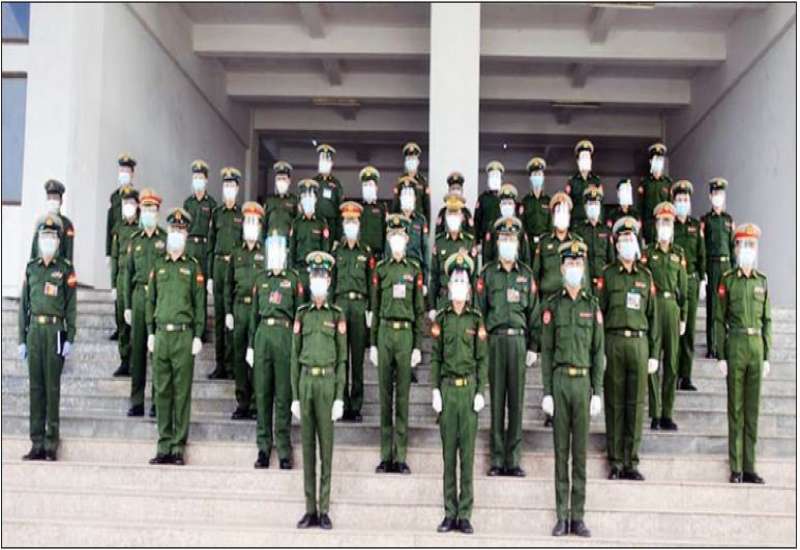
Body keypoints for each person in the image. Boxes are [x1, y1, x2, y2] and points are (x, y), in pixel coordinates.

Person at [539, 240, 604, 538]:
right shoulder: (552, 306)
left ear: (583, 267)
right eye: (570, 263)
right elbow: (547, 352)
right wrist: (547, 391)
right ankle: (561, 516)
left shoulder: (592, 306)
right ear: (562, 268)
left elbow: (598, 352)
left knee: (580, 454)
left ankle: (578, 516)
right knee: (560, 452)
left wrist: (597, 391)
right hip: (561, 381)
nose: (574, 268)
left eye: (579, 263)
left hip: (583, 383)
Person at [597, 216, 660, 481]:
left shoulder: (645, 277)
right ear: (616, 244)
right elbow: (599, 315)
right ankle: (615, 461)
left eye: (629, 238)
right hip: (613, 342)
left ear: (636, 242)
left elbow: (653, 317)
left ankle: (631, 461)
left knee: (635, 404)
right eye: (622, 239)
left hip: (639, 343)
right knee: (614, 403)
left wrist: (654, 354)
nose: (626, 243)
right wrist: (599, 350)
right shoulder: (608, 275)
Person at [431, 251, 488, 535]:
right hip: (448, 391)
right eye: (455, 280)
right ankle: (449, 512)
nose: (458, 285)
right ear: (449, 284)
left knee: (467, 456)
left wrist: (480, 390)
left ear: (468, 287)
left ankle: (465, 513)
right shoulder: (441, 319)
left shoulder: (476, 319)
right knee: (448, 457)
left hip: (467, 393)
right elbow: (436, 357)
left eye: (463, 281)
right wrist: (435, 390)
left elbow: (482, 359)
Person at [475, 216, 538, 476]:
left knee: (516, 402)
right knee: (497, 400)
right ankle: (497, 459)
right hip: (496, 341)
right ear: (498, 242)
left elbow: (534, 314)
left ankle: (513, 460)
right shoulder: (487, 274)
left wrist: (533, 346)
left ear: (518, 243)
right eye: (504, 239)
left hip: (518, 342)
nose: (507, 243)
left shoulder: (526, 275)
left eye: (511, 239)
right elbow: (479, 313)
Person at [291, 251, 346, 530]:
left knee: (326, 449)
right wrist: (295, 396)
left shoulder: (336, 315)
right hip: (306, 382)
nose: (319, 281)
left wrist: (339, 397)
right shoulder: (301, 314)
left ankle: (324, 509)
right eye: (315, 276)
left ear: (329, 280)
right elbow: (294, 356)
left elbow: (343, 359)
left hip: (327, 383)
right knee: (308, 450)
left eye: (323, 276)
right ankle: (309, 509)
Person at [146, 208, 205, 465]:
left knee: (181, 393)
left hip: (183, 335)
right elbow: (150, 300)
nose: (176, 234)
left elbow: (199, 303)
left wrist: (198, 335)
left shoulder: (192, 267)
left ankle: (178, 446)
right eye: (173, 229)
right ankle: (164, 445)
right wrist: (150, 331)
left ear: (187, 235)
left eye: (181, 230)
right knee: (162, 391)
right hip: (161, 334)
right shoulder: (158, 265)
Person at [715, 223, 771, 484]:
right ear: (736, 248)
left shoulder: (762, 281)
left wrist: (767, 355)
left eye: (751, 245)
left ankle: (750, 466)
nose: (747, 249)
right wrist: (721, 355)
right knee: (735, 408)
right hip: (736, 343)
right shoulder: (728, 280)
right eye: (743, 244)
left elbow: (767, 320)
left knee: (752, 409)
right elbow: (719, 319)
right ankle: (736, 466)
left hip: (756, 344)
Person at [18, 215, 77, 461]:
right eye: (45, 236)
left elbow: (71, 305)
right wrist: (21, 339)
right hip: (35, 331)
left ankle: (51, 442)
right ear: (38, 239)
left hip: (55, 331)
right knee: (36, 388)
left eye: (52, 237)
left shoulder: (65, 269)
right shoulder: (31, 268)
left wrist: (70, 336)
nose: (48, 241)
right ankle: (36, 442)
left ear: (59, 241)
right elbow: (23, 306)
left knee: (52, 388)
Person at [369, 215, 425, 474]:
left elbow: (419, 310)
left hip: (405, 335)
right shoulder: (381, 270)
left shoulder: (414, 270)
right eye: (393, 236)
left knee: (402, 398)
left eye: (400, 236)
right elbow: (375, 307)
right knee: (385, 397)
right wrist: (373, 344)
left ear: (407, 238)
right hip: (384, 332)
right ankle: (385, 455)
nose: (397, 241)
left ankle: (400, 455)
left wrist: (417, 346)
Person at [248, 230, 304, 469]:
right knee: (262, 394)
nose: (276, 255)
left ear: (286, 253)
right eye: (273, 251)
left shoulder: (293, 280)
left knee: (283, 395)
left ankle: (283, 449)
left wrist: (298, 346)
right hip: (263, 336)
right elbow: (253, 316)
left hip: (284, 336)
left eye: (280, 250)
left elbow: (300, 315)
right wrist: (251, 346)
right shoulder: (260, 280)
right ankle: (263, 447)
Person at [641, 202, 688, 431]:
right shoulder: (648, 253)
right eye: (661, 222)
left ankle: (668, 413)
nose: (665, 226)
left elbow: (684, 289)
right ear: (656, 225)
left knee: (671, 362)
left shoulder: (679, 254)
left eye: (668, 222)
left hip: (672, 308)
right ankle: (655, 413)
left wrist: (683, 316)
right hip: (654, 307)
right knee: (652, 361)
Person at [331, 201, 376, 422]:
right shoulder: (336, 252)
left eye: (354, 222)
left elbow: (371, 284)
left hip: (359, 307)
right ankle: (341, 401)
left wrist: (371, 310)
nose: (351, 225)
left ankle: (356, 406)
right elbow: (331, 283)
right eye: (347, 221)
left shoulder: (365, 252)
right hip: (340, 306)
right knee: (341, 357)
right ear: (343, 224)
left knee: (357, 359)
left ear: (359, 224)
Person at [124, 188, 166, 418]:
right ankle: (137, 401)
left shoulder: (165, 239)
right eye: (146, 209)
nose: (149, 213)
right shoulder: (135, 241)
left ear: (158, 212)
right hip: (139, 296)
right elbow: (127, 274)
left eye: (153, 209)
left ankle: (157, 402)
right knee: (138, 351)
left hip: (159, 297)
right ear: (141, 211)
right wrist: (127, 306)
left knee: (157, 354)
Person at [225, 202, 266, 420]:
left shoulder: (265, 253)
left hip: (258, 310)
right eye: (248, 221)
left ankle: (256, 404)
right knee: (240, 356)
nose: (251, 226)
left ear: (259, 226)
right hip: (240, 308)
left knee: (257, 357)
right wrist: (229, 312)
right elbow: (228, 284)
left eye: (254, 222)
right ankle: (242, 401)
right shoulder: (236, 253)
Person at [208, 167, 243, 380]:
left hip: (234, 268)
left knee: (233, 317)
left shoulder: (242, 215)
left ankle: (231, 365)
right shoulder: (217, 214)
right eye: (226, 185)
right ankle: (219, 363)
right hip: (219, 266)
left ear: (237, 189)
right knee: (220, 319)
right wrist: (210, 276)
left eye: (232, 185)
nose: (228, 188)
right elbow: (210, 246)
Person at [671, 180, 705, 391]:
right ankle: (672, 373)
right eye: (679, 199)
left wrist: (702, 279)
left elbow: (701, 255)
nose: (682, 202)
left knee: (689, 330)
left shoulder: (695, 226)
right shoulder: (669, 226)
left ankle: (686, 375)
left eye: (685, 199)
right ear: (674, 202)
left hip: (691, 281)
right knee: (674, 330)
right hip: (673, 281)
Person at [183, 159, 217, 342]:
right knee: (188, 288)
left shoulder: (211, 204)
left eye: (200, 177)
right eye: (195, 177)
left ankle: (201, 329)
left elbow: (213, 231)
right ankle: (189, 325)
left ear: (206, 180)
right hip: (189, 246)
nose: (197, 180)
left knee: (201, 290)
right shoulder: (187, 203)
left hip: (204, 248)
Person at [701, 177, 735, 359]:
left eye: (720, 193)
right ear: (710, 196)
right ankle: (712, 346)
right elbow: (702, 247)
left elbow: (732, 246)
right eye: (715, 193)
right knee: (713, 307)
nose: (718, 197)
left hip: (726, 265)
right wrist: (703, 272)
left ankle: (725, 344)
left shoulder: (729, 220)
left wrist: (734, 270)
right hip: (712, 265)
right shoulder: (706, 220)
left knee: (727, 306)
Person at [428, 193, 477, 318]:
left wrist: (475, 307)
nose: (453, 218)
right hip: (443, 300)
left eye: (456, 214)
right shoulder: (439, 242)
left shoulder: (469, 242)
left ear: (462, 217)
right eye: (450, 214)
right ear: (446, 217)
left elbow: (474, 278)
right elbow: (434, 276)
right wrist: (432, 307)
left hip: (465, 303)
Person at [110, 186, 139, 377]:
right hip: (121, 278)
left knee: (135, 323)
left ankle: (136, 360)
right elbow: (114, 257)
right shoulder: (118, 228)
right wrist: (113, 284)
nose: (128, 206)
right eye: (125, 202)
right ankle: (124, 360)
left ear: (137, 205)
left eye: (131, 202)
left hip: (136, 280)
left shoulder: (141, 228)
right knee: (122, 322)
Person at [107, 153, 137, 341]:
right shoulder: (114, 197)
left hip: (131, 246)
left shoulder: (136, 197)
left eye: (127, 170)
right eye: (121, 170)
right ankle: (119, 328)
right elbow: (109, 225)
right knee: (118, 291)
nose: (124, 173)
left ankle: (129, 329)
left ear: (132, 173)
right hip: (117, 245)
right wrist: (108, 253)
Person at [290, 179, 331, 298]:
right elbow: (292, 249)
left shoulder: (321, 222)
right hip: (300, 270)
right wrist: (293, 271)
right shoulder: (296, 223)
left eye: (310, 196)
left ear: (316, 199)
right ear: (301, 200)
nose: (307, 200)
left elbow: (325, 248)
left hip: (317, 270)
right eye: (305, 197)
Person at [574, 185, 614, 295]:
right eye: (590, 204)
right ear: (585, 207)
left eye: (596, 204)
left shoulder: (606, 231)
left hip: (603, 280)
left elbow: (611, 258)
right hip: (585, 280)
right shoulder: (578, 230)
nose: (593, 207)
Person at [394, 176, 430, 290]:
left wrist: (425, 281)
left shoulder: (420, 220)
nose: (407, 198)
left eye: (410, 195)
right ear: (400, 198)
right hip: (397, 267)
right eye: (404, 195)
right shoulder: (394, 220)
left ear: (415, 198)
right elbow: (388, 250)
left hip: (415, 267)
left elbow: (425, 249)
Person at [483, 184, 531, 266]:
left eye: (510, 203)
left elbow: (525, 254)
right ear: (500, 206)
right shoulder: (493, 225)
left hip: (516, 268)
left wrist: (525, 270)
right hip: (496, 268)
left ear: (514, 206)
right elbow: (487, 254)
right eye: (504, 203)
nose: (507, 206)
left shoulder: (519, 225)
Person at [30, 179, 75, 262]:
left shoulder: (67, 224)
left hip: (59, 267)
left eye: (55, 198)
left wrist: (67, 267)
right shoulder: (40, 222)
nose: (52, 201)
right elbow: (34, 251)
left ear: (61, 201)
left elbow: (69, 254)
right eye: (49, 198)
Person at [638, 143, 673, 245]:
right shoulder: (644, 183)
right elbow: (640, 206)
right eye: (655, 160)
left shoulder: (668, 183)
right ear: (650, 162)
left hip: (664, 223)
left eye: (660, 160)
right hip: (649, 224)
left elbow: (670, 205)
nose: (658, 162)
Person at [312, 143, 343, 241]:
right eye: (322, 160)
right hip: (315, 223)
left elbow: (340, 209)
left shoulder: (336, 184)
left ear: (331, 163)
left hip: (331, 224)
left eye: (326, 160)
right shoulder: (313, 182)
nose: (324, 162)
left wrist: (338, 236)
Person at [566, 140, 601, 227]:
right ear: (578, 161)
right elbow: (568, 204)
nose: (585, 159)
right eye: (583, 157)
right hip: (577, 222)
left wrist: (600, 222)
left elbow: (601, 203)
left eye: (587, 157)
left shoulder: (596, 181)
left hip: (592, 222)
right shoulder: (572, 181)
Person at [393, 142, 430, 219]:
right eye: (409, 159)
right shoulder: (400, 181)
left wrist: (426, 223)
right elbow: (396, 204)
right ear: (405, 162)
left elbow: (426, 205)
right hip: (403, 219)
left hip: (418, 220)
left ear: (418, 162)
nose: (411, 161)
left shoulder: (423, 181)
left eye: (413, 159)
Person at [520, 157, 551, 247]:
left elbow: (551, 223)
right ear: (530, 178)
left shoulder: (548, 200)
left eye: (539, 174)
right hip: (529, 242)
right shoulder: (525, 201)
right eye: (535, 174)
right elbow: (522, 223)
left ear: (543, 177)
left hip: (545, 241)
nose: (537, 177)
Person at [474, 161, 505, 250]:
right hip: (486, 238)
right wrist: (477, 241)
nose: (494, 179)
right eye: (492, 176)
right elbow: (477, 221)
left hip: (502, 237)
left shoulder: (505, 198)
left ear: (501, 179)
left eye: (496, 176)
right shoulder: (483, 198)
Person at [357, 166, 387, 256]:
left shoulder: (382, 208)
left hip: (377, 253)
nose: (367, 188)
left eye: (370, 185)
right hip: (361, 252)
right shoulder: (358, 208)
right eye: (365, 185)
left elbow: (385, 231)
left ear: (376, 187)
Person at [264, 160, 298, 237]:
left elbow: (297, 223)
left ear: (289, 181)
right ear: (275, 181)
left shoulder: (294, 200)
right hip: (271, 240)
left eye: (284, 178)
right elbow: (263, 223)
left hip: (287, 240)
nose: (281, 181)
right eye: (279, 179)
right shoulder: (269, 200)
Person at [434, 172, 475, 237]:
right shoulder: (443, 211)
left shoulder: (466, 212)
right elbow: (438, 233)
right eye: (453, 189)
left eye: (458, 189)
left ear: (462, 191)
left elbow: (471, 233)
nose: (455, 191)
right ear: (449, 191)